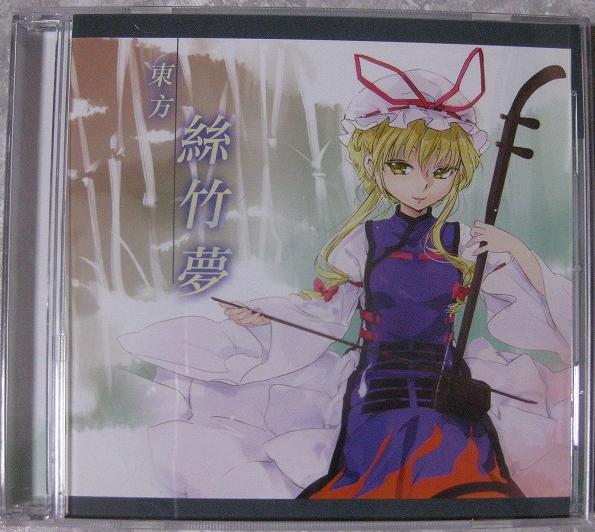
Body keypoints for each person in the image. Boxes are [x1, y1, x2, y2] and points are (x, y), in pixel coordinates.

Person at [120, 48, 571, 499]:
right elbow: (324, 309)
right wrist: (267, 316)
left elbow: (532, 297)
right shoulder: (364, 242)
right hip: (380, 383)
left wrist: (517, 249)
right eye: (402, 167)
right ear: (374, 165)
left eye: (441, 171)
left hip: (446, 382)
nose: (422, 184)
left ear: (459, 173)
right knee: (379, 476)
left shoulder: (464, 242)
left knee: (460, 475)